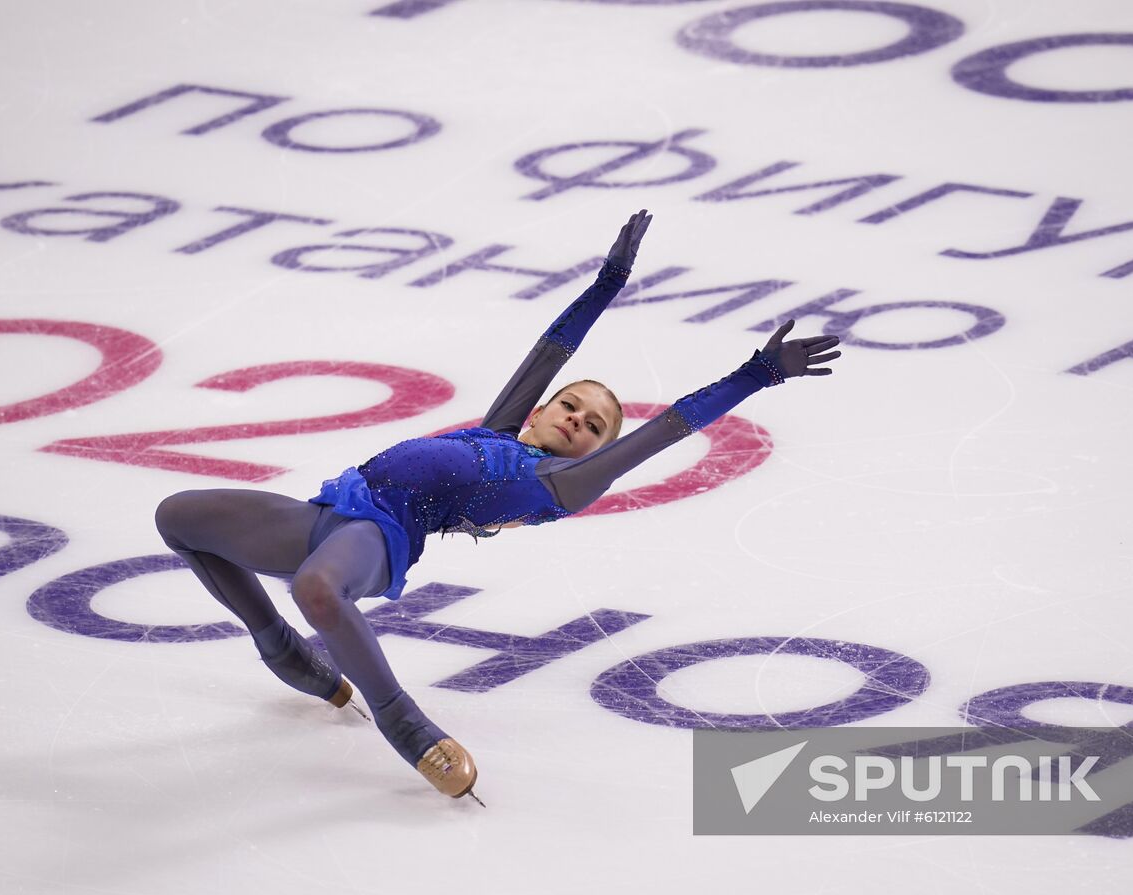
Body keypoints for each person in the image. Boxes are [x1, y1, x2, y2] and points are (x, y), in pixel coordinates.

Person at [154, 210, 841, 805]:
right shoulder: (500, 428)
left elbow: (671, 424)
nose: (579, 419)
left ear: (599, 449)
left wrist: (757, 373)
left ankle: (406, 724)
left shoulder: (565, 484)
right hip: (331, 509)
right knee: (178, 517)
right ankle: (285, 651)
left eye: (597, 425)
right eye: (572, 404)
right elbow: (551, 348)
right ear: (541, 411)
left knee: (316, 588)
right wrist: (607, 285)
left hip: (381, 533)